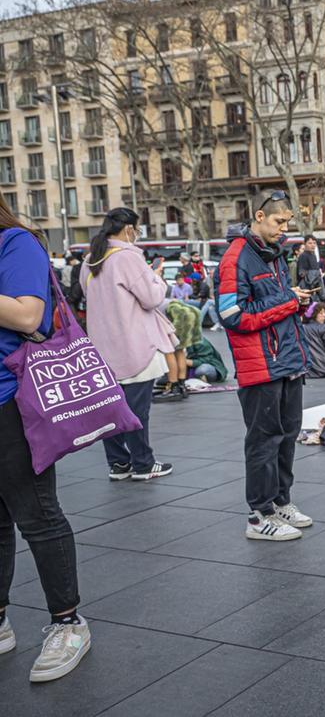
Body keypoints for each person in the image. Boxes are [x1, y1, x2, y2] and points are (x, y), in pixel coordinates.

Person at [0, 209, 91, 682]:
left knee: (37, 514)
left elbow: (27, 314)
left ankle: (67, 621)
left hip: (10, 402)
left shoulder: (15, 242)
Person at [216, 191, 312, 542]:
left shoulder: (272, 254)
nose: (284, 228)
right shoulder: (236, 257)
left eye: (287, 222)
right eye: (278, 221)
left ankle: (280, 502)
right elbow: (231, 315)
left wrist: (295, 303)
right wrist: (288, 300)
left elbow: (272, 307)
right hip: (261, 367)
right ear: (258, 216)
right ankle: (259, 515)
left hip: (285, 361)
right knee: (264, 441)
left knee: (287, 436)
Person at [81, 208, 174, 482]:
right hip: (134, 345)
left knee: (110, 408)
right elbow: (151, 297)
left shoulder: (91, 259)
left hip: (102, 347)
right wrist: (157, 278)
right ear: (129, 229)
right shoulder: (128, 258)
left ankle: (119, 464)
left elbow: (89, 296)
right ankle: (144, 464)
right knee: (137, 411)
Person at [157, 299, 201, 402]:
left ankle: (174, 386)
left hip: (179, 314)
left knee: (168, 350)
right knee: (179, 350)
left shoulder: (150, 302)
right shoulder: (164, 298)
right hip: (192, 312)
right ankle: (182, 385)